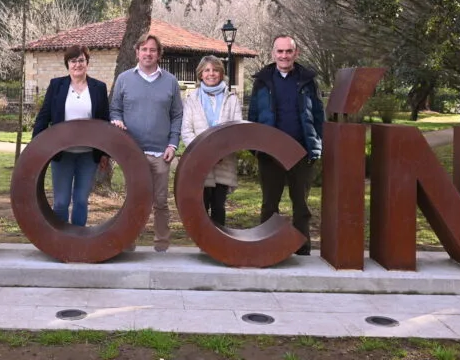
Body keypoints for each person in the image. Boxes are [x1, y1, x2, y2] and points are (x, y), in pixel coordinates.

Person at [248, 35, 324, 256]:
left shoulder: (308, 80)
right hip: (270, 153)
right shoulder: (262, 80)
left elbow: (319, 116)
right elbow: (253, 116)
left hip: (301, 151)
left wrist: (316, 145)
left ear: (295, 53)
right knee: (269, 204)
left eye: (288, 51)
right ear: (273, 53)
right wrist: (256, 148)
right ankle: (267, 248)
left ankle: (303, 249)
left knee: (301, 205)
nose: (284, 56)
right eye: (279, 51)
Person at [110, 33, 183, 251]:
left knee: (160, 201)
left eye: (152, 50)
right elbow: (115, 109)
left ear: (159, 54)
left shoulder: (170, 81)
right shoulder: (124, 79)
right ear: (137, 52)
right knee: (133, 199)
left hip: (161, 153)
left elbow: (177, 115)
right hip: (132, 153)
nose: (148, 53)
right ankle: (128, 240)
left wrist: (172, 144)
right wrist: (116, 120)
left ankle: (161, 243)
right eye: (144, 49)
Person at [33, 45, 110, 226]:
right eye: (73, 61)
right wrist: (35, 148)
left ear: (87, 63)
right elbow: (44, 117)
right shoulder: (56, 85)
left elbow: (105, 122)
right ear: (67, 64)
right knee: (61, 202)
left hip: (88, 155)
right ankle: (61, 242)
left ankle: (78, 241)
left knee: (81, 201)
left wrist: (105, 153)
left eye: (81, 60)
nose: (77, 64)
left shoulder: (99, 88)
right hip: (62, 155)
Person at [180, 56, 243, 226]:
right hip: (200, 161)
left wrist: (220, 153)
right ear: (200, 74)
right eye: (207, 70)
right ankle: (204, 245)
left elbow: (237, 131)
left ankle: (219, 246)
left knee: (218, 206)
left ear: (221, 73)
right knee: (201, 204)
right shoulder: (191, 99)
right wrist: (203, 153)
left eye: (215, 70)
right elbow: (186, 131)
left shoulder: (232, 99)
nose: (211, 74)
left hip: (224, 161)